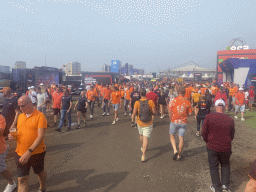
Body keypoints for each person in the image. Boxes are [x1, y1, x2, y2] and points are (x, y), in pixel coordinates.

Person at [8, 95, 47, 192]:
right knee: (22, 179)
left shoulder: (40, 116)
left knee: (39, 172)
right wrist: (14, 136)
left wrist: (29, 152)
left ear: (30, 103)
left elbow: (40, 136)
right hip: (20, 153)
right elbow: (20, 132)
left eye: (22, 106)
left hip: (36, 153)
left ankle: (42, 187)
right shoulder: (21, 116)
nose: (20, 108)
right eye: (19, 106)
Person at [202, 99, 235, 192]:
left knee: (214, 166)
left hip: (212, 146)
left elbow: (204, 132)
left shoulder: (209, 117)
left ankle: (217, 187)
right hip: (226, 147)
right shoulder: (230, 119)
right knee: (225, 164)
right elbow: (232, 135)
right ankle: (225, 186)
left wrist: (207, 141)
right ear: (223, 107)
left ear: (215, 106)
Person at [168, 86, 193, 161]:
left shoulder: (173, 100)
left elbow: (169, 110)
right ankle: (179, 155)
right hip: (183, 122)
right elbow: (191, 113)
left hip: (174, 120)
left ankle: (175, 150)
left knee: (172, 135)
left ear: (177, 92)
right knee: (181, 137)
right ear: (184, 92)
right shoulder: (187, 101)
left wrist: (171, 118)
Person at [133, 88, 156, 162]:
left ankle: (143, 147)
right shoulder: (150, 102)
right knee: (145, 138)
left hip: (140, 122)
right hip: (148, 123)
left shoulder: (137, 102)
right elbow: (154, 112)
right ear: (145, 93)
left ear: (140, 94)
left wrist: (135, 118)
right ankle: (143, 155)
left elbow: (134, 113)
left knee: (141, 136)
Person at [0, 114, 17, 192]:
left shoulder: (1, 117)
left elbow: (1, 130)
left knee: (2, 169)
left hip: (0, 148)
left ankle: (11, 183)